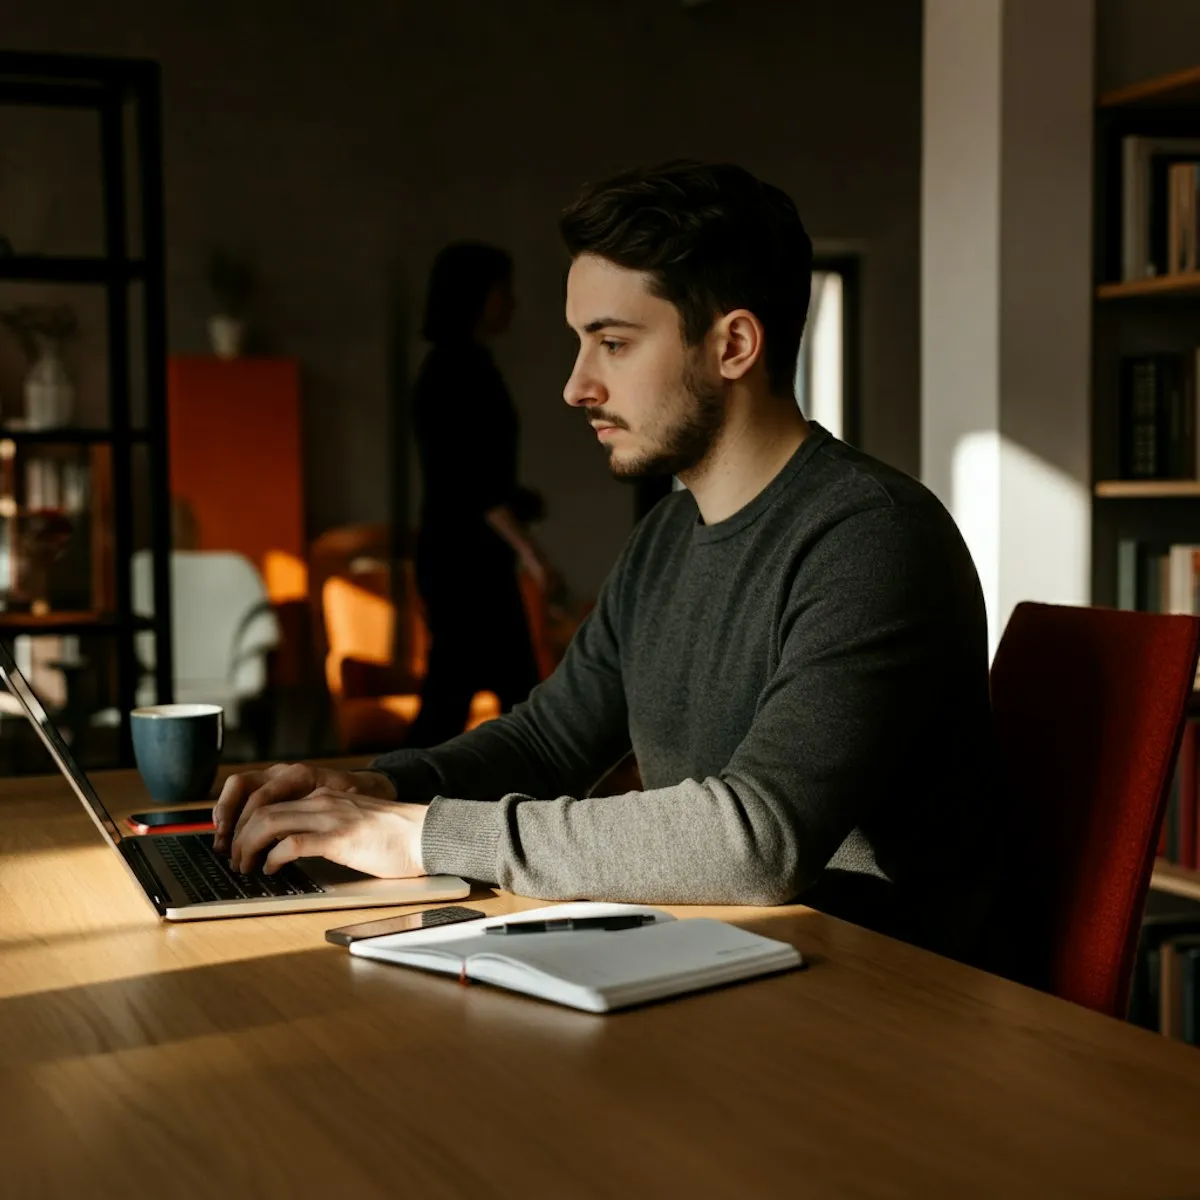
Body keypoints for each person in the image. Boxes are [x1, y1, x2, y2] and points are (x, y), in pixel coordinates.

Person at [213, 162, 1000, 961]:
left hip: (878, 999)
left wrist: (427, 837)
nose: (576, 386)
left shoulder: (869, 539)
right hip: (720, 964)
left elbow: (759, 839)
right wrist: (377, 790)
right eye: (579, 342)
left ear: (732, 345)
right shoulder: (666, 536)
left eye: (613, 343)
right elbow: (549, 744)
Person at [404, 241, 551, 748]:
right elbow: (473, 485)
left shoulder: (455, 367)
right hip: (464, 563)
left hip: (461, 557)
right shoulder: (459, 371)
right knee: (475, 699)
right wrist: (531, 553)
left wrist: (520, 501)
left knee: (484, 696)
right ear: (477, 295)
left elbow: (475, 476)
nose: (511, 302)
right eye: (503, 290)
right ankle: (385, 795)